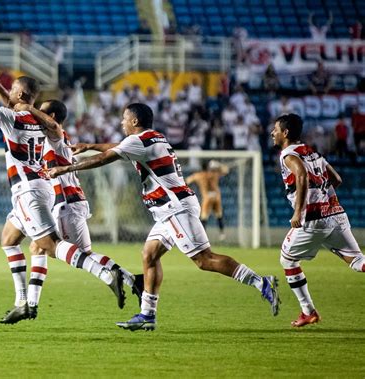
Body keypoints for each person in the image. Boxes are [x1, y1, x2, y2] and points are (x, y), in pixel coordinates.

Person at [47, 103, 280, 331]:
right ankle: (147, 315)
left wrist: (66, 169)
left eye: (124, 118)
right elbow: (118, 146)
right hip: (168, 210)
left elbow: (106, 158)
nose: (121, 122)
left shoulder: (139, 141)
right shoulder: (153, 137)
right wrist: (91, 144)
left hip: (175, 208)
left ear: (134, 121)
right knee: (149, 255)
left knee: (204, 260)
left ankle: (261, 282)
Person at [0, 70, 125, 324]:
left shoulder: (11, 118)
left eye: (14, 90)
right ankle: (22, 302)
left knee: (50, 246)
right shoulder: (42, 124)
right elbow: (21, 107)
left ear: (20, 95)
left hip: (28, 190)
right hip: (37, 187)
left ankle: (107, 276)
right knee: (8, 240)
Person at [18, 99, 144, 304]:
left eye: (41, 112)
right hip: (71, 201)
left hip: (66, 202)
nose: (36, 114)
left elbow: (52, 127)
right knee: (69, 251)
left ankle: (29, 304)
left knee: (46, 247)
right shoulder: (52, 138)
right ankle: (133, 281)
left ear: (52, 118)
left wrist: (27, 107)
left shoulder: (54, 135)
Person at [270, 113, 365, 327]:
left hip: (312, 219)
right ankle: (308, 312)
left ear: (285, 133)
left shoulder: (288, 155)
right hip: (335, 214)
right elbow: (337, 179)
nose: (272, 133)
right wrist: (322, 195)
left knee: (287, 260)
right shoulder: (312, 151)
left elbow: (301, 175)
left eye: (275, 129)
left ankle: (308, 311)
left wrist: (298, 212)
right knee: (358, 261)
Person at [186, 160, 229, 241]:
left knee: (204, 217)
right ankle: (222, 233)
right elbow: (226, 171)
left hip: (207, 197)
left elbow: (187, 181)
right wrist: (219, 165)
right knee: (219, 215)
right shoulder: (214, 174)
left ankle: (202, 237)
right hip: (216, 196)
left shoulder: (198, 175)